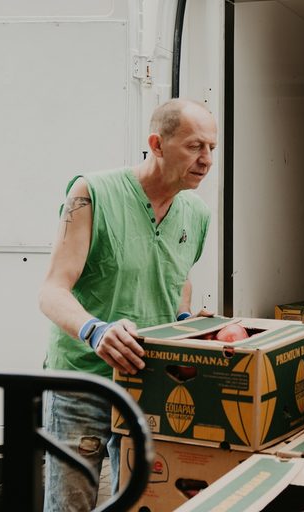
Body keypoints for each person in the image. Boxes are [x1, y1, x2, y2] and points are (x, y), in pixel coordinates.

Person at [38, 98, 216, 511]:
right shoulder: (92, 193)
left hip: (147, 382)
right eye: (194, 146)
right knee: (70, 506)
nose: (206, 159)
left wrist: (186, 322)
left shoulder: (196, 212)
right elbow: (51, 290)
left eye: (211, 148)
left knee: (141, 504)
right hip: (81, 381)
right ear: (157, 143)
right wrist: (95, 330)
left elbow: (178, 277)